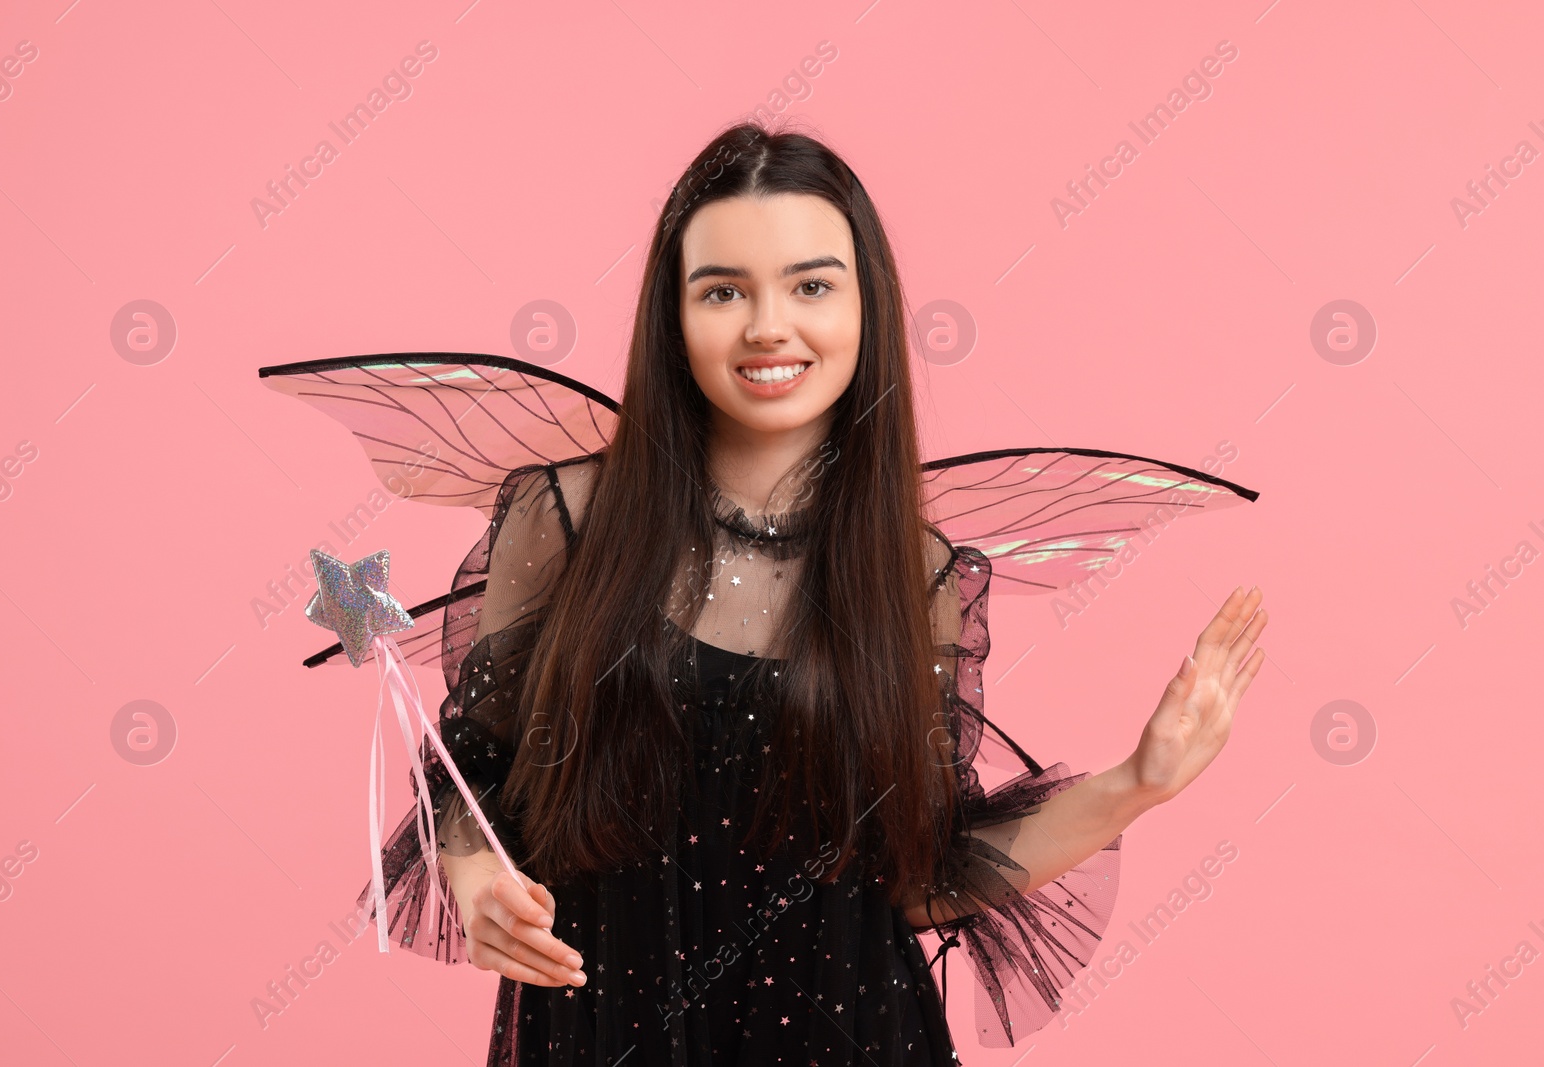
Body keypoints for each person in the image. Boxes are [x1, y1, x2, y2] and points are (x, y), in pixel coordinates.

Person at [362, 122, 1269, 1066]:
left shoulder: (913, 572)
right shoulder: (567, 519)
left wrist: (1139, 783)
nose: (768, 326)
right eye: (723, 290)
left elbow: (921, 878)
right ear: (673, 316)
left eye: (812, 285)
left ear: (865, 307)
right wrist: (474, 884)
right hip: (606, 1029)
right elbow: (472, 774)